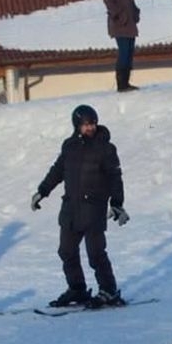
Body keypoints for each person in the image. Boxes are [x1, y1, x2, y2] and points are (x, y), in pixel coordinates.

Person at [31, 104, 129, 308]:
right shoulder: (69, 146)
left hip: (93, 208)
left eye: (93, 123)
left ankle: (109, 290)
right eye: (86, 124)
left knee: (96, 253)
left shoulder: (106, 148)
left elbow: (115, 177)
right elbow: (58, 170)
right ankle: (77, 288)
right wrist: (42, 191)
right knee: (66, 251)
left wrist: (117, 203)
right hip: (70, 209)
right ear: (77, 125)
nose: (91, 127)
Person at [103, 0, 140, 92]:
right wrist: (118, 14)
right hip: (119, 22)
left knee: (130, 52)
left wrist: (135, 12)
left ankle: (127, 81)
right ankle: (121, 84)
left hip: (130, 21)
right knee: (124, 52)